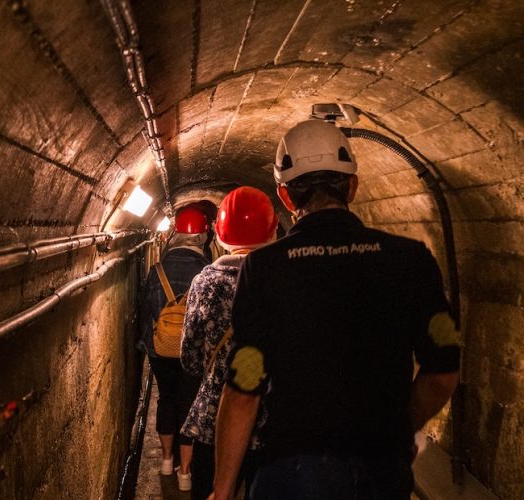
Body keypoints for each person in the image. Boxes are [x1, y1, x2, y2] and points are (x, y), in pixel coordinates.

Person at [211, 119, 461, 499]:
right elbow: (442, 375)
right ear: (353, 186)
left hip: (293, 471)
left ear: (286, 196)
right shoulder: (410, 259)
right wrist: (396, 429)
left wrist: (223, 490)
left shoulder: (264, 269)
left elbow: (244, 390)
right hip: (381, 468)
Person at [180, 187, 278, 500]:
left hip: (215, 421)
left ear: (220, 236)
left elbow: (190, 358)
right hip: (273, 422)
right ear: (274, 230)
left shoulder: (205, 282)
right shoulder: (286, 278)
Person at [139, 204, 211, 490]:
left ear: (175, 234)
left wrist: (149, 345)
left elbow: (146, 312)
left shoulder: (156, 270)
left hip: (160, 350)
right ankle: (185, 473)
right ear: (204, 237)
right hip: (193, 353)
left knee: (166, 399)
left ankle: (166, 461)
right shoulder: (207, 272)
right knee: (191, 405)